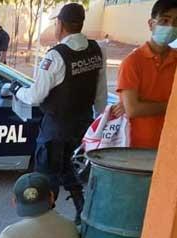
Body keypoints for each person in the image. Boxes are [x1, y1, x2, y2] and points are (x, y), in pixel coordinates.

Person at [12, 3, 107, 225]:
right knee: (65, 165)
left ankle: (45, 222)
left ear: (60, 24)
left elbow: (36, 96)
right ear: (81, 24)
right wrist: (99, 126)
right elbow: (101, 93)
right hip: (81, 124)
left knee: (47, 174)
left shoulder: (55, 56)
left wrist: (17, 90)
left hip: (56, 126)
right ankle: (80, 207)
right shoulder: (97, 49)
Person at [111, 0, 177, 148]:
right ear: (151, 24)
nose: (171, 27)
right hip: (138, 146)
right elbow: (133, 109)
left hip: (170, 145)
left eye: (176, 22)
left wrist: (144, 105)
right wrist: (172, 105)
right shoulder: (132, 62)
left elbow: (133, 107)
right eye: (164, 20)